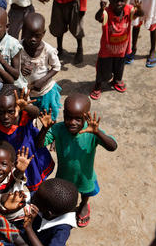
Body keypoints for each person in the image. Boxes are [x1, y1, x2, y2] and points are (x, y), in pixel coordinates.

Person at [39, 94, 116, 226]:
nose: (72, 122)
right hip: (64, 176)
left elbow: (112, 146)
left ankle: (84, 204)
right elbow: (39, 145)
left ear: (86, 117)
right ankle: (67, 208)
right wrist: (44, 129)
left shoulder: (91, 131)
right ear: (64, 114)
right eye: (68, 117)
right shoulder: (58, 129)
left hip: (84, 175)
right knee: (63, 197)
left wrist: (98, 133)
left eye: (78, 119)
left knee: (86, 191)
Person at [92, 0, 142, 97]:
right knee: (103, 70)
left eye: (123, 0)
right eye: (115, 0)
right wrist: (101, 9)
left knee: (119, 68)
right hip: (107, 51)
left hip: (121, 50)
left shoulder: (129, 10)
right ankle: (98, 85)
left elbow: (140, 14)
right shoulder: (107, 13)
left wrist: (139, 9)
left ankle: (117, 80)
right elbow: (97, 18)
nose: (119, 3)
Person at [17, 12, 61, 119]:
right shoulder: (17, 48)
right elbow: (12, 64)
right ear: (23, 31)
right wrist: (20, 67)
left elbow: (56, 67)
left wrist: (42, 80)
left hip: (45, 91)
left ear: (44, 33)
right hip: (26, 93)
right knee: (28, 118)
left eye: (37, 36)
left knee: (47, 116)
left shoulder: (48, 50)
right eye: (29, 35)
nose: (33, 39)